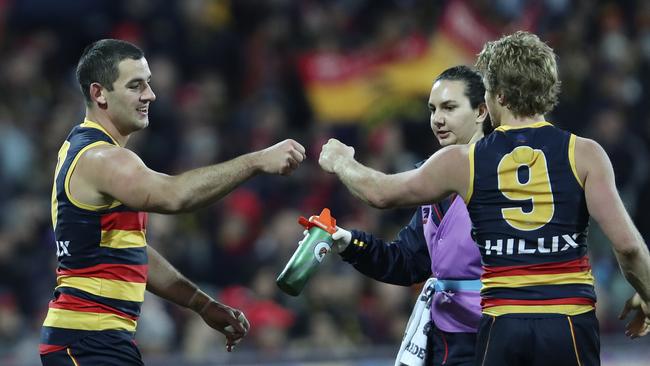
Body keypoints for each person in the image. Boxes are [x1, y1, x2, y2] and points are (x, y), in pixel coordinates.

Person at [319, 31, 650, 366]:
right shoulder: (585, 154)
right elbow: (628, 247)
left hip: (501, 324)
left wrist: (341, 162)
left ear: (497, 97)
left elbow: (379, 193)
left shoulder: (464, 162)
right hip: (567, 322)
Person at [40, 39, 306, 365]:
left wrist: (201, 304)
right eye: (136, 85)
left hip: (95, 341)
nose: (150, 95)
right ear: (99, 94)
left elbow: (132, 253)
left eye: (148, 83)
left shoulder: (84, 149)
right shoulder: (101, 157)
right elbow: (175, 195)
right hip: (86, 342)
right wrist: (257, 161)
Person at [330, 65, 490, 366]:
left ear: (481, 111)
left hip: (493, 337)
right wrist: (349, 243)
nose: (437, 119)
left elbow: (380, 194)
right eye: (432, 109)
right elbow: (408, 263)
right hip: (444, 340)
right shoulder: (432, 179)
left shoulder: (500, 173)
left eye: (449, 107)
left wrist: (342, 163)